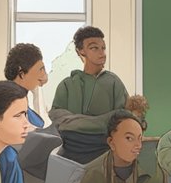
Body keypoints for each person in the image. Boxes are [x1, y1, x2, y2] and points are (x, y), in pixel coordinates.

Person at [50, 26, 139, 164]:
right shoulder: (67, 85)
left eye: (103, 48)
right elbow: (58, 121)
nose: (102, 53)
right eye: (94, 48)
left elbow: (123, 119)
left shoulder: (113, 82)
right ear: (81, 51)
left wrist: (77, 122)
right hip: (70, 154)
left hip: (106, 152)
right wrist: (106, 119)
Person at [71, 112, 162, 183]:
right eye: (129, 138)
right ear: (111, 142)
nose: (138, 145)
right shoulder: (91, 174)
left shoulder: (151, 169)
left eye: (139, 139)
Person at [5, 42, 50, 129]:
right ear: (22, 74)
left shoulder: (20, 100)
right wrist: (37, 93)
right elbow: (41, 129)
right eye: (39, 70)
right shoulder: (10, 104)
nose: (43, 75)